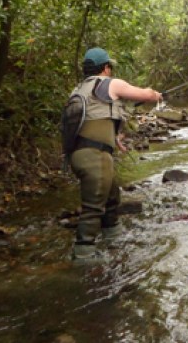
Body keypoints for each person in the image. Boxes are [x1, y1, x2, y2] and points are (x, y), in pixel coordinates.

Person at [70, 47, 162, 261]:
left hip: (80, 155)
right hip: (95, 157)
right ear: (106, 67)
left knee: (111, 196)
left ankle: (113, 236)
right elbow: (145, 95)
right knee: (93, 206)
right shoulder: (110, 83)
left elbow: (92, 122)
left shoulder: (78, 90)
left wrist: (115, 139)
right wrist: (155, 95)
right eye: (109, 67)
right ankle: (84, 253)